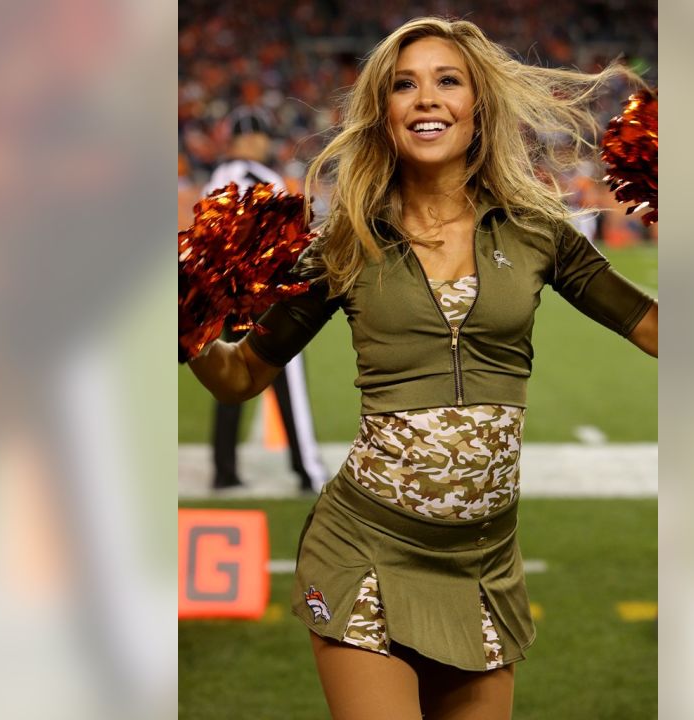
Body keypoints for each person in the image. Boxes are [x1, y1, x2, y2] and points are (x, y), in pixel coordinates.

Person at [189, 17, 657, 719]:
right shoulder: (345, 240)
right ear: (383, 113)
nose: (426, 98)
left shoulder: (537, 230)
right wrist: (185, 315)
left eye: (448, 80)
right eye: (404, 85)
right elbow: (240, 375)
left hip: (483, 567)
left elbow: (656, 330)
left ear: (479, 105)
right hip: (367, 552)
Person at [204, 107, 328, 493]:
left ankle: (224, 470)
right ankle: (307, 469)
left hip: (228, 294)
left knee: (230, 379)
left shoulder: (217, 177)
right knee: (287, 377)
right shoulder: (262, 176)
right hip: (263, 291)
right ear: (253, 138)